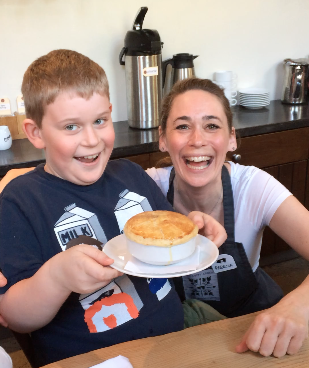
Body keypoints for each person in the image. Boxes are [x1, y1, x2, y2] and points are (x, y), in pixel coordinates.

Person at [0, 50, 226, 367]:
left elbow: (166, 232)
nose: (91, 139)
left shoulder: (131, 174)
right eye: (70, 127)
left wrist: (193, 228)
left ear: (110, 112)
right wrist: (57, 277)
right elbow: (15, 316)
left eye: (100, 121)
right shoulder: (19, 201)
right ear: (36, 133)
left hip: (173, 340)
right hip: (90, 358)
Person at [146, 78, 309, 358]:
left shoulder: (254, 186)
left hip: (250, 331)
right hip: (178, 333)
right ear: (163, 138)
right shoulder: (145, 189)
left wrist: (300, 305)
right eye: (183, 126)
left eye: (212, 126)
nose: (197, 140)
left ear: (231, 138)